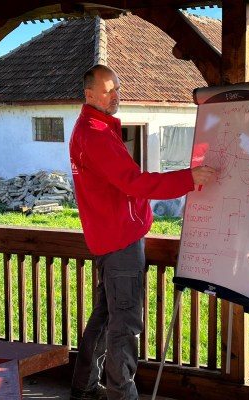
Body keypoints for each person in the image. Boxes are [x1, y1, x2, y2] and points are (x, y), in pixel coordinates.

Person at [69, 64, 215, 400]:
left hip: (109, 239)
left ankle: (84, 386)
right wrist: (189, 178)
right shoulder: (95, 134)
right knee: (125, 325)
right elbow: (134, 182)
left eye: (117, 88)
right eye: (108, 90)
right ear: (89, 94)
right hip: (120, 241)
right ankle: (122, 395)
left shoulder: (88, 129)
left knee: (106, 317)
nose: (115, 95)